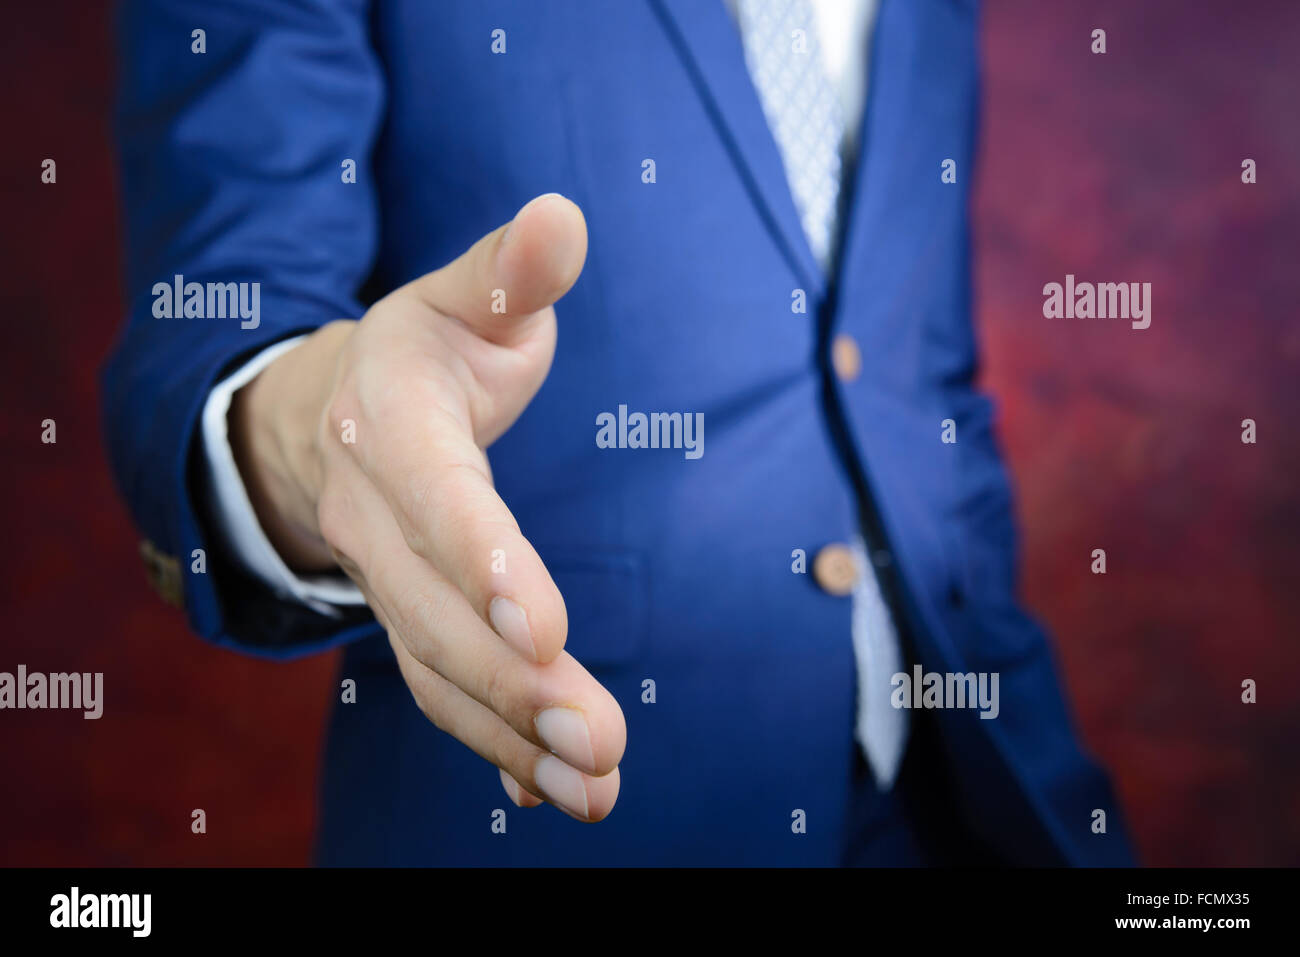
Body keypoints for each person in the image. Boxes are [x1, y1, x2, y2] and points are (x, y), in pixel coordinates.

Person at [103, 0, 1133, 865]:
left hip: (963, 799)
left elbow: (917, 381)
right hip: (557, 812)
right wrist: (324, 435)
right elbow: (225, 305)